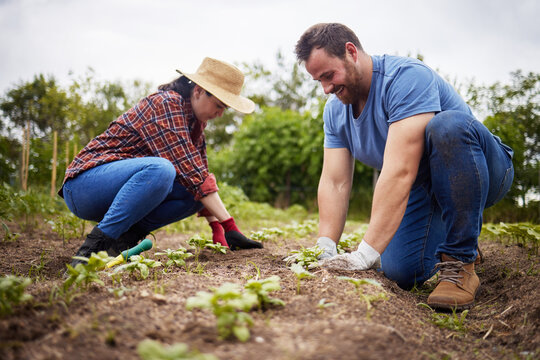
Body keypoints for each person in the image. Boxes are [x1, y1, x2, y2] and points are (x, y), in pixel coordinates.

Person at [294, 23, 514, 310]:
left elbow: (399, 171)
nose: (325, 88)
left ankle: (460, 260)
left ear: (351, 52)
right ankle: (458, 232)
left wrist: (364, 253)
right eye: (318, 81)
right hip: (425, 188)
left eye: (328, 75)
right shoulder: (336, 110)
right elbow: (335, 182)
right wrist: (325, 245)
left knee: (447, 125)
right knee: (400, 271)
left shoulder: (407, 78)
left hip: (482, 168)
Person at [60, 57, 263, 268]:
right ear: (198, 91)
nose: (220, 114)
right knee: (162, 169)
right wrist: (230, 225)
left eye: (225, 109)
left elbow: (200, 178)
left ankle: (120, 243)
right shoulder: (166, 104)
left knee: (192, 195)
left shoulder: (195, 125)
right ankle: (89, 252)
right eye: (219, 106)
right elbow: (193, 172)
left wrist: (218, 228)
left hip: (121, 191)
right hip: (84, 186)